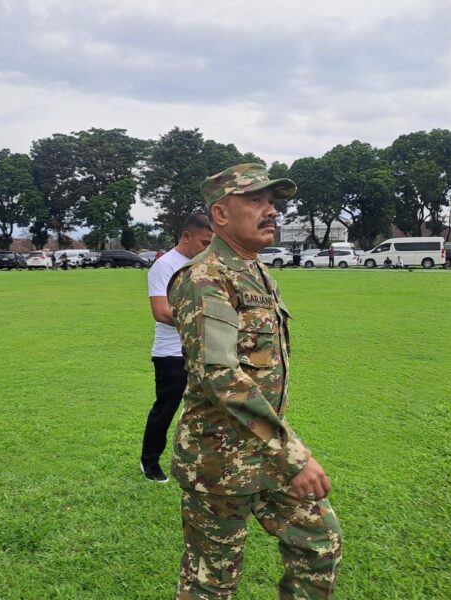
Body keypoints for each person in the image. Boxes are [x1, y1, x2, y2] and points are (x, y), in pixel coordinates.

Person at [167, 163, 341, 599]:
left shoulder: (257, 273)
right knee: (212, 581)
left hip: (264, 452)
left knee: (320, 541)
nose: (272, 211)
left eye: (272, 202)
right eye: (256, 200)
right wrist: (293, 455)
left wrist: (280, 451)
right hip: (218, 463)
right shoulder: (204, 278)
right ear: (221, 214)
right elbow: (219, 374)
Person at [140, 214, 214, 483]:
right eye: (204, 242)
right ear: (186, 236)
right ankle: (149, 462)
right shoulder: (165, 266)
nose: (207, 249)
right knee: (166, 409)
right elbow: (161, 312)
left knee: (206, 410)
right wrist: (203, 319)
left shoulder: (205, 265)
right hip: (171, 353)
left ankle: (200, 462)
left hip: (203, 350)